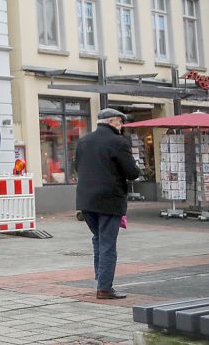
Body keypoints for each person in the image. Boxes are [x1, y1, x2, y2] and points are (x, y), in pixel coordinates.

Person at [74, 107, 141, 300]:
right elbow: (132, 172)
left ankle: (100, 280)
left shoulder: (83, 141)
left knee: (98, 239)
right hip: (109, 200)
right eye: (120, 122)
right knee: (108, 243)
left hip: (86, 200)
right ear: (112, 122)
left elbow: (79, 167)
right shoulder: (118, 142)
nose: (122, 126)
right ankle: (104, 288)